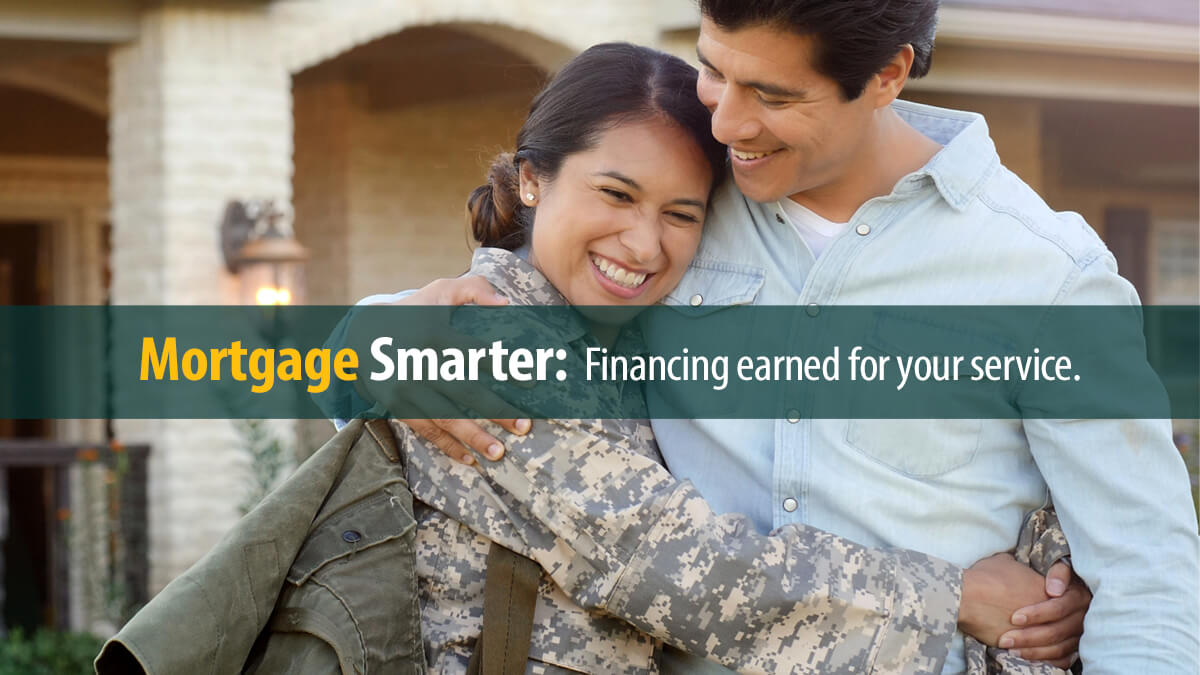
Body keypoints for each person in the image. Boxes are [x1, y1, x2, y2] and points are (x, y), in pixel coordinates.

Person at [377, 2, 1200, 673]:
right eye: (713, 68)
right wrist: (384, 329)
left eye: (770, 94)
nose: (729, 122)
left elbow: (1146, 575)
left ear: (886, 76)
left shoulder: (1044, 273)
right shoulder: (687, 200)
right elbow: (516, 312)